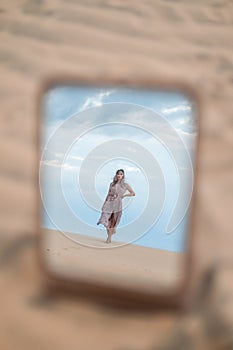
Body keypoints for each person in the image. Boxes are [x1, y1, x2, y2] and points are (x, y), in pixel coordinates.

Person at [97, 169, 135, 243]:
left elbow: (133, 193)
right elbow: (108, 194)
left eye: (121, 174)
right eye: (118, 174)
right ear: (116, 175)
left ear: (123, 175)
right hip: (109, 202)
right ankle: (110, 234)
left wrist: (124, 195)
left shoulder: (125, 185)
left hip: (117, 204)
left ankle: (109, 237)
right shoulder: (112, 184)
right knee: (105, 219)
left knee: (113, 221)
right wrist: (104, 203)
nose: (119, 175)